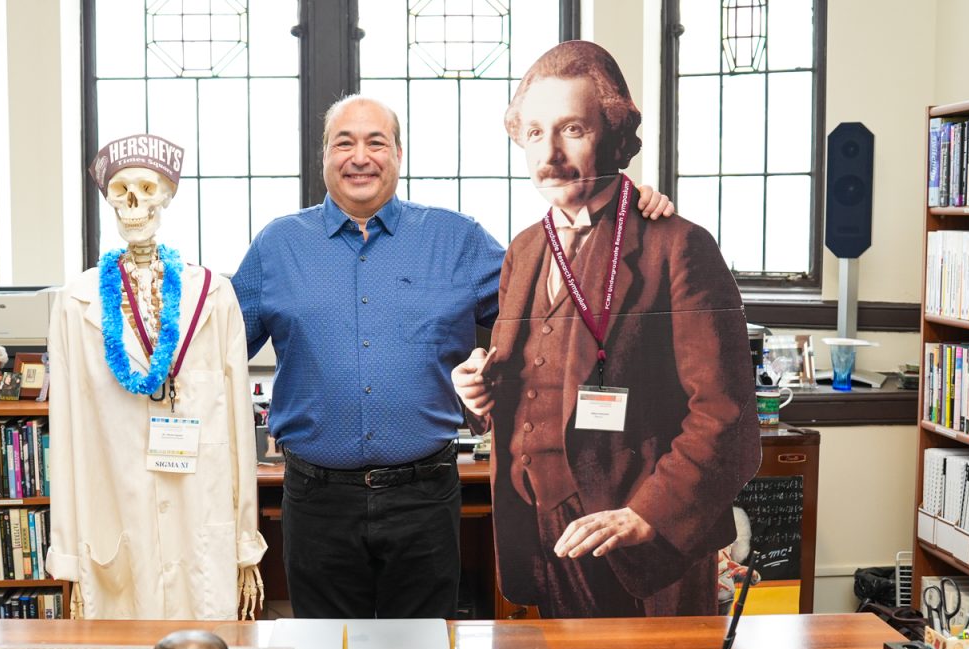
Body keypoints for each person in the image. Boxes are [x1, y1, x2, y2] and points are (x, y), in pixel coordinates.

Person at [231, 94, 672, 619]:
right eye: (343, 143)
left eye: (376, 142)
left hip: (422, 499)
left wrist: (625, 224)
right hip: (315, 500)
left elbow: (553, 296)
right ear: (324, 157)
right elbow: (217, 346)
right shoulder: (278, 245)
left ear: (398, 153)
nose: (360, 156)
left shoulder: (455, 239)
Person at [451, 40, 760, 618]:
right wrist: (478, 393)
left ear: (614, 134)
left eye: (572, 128)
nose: (552, 153)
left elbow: (728, 414)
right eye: (535, 133)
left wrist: (646, 515)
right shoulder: (522, 250)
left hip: (641, 540)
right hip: (540, 525)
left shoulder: (678, 245)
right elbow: (525, 388)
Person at [45, 134, 265, 620]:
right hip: (114, 517)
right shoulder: (76, 302)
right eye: (119, 190)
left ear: (166, 197)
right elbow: (64, 436)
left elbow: (237, 430)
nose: (132, 202)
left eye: (146, 188)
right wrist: (69, 561)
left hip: (199, 515)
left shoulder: (213, 294)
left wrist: (244, 544)